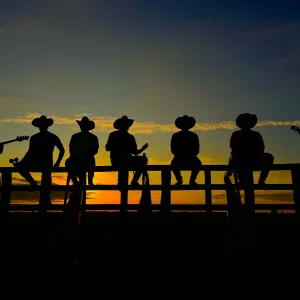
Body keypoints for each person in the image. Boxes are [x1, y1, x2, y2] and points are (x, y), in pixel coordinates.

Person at [15, 115, 65, 196]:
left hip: (46, 162)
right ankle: (33, 183)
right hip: (39, 161)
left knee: (46, 179)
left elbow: (62, 150)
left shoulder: (48, 137)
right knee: (20, 166)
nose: (42, 126)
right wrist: (22, 162)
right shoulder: (36, 137)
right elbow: (30, 152)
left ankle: (44, 195)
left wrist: (57, 163)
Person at [230, 113, 274, 184]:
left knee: (269, 157)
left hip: (248, 160)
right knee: (269, 157)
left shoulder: (236, 134)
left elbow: (233, 149)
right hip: (248, 160)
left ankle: (246, 179)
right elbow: (261, 148)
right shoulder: (256, 134)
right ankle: (261, 180)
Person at [105, 116, 148, 186]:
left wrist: (142, 149)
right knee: (143, 160)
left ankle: (131, 181)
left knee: (142, 160)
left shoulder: (113, 135)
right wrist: (142, 149)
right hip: (123, 161)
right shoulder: (129, 137)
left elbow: (107, 148)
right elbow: (135, 153)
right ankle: (134, 180)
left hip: (117, 161)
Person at [65, 116, 99, 186]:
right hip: (77, 159)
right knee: (69, 162)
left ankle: (89, 180)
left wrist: (85, 155)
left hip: (87, 159)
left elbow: (95, 150)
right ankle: (75, 181)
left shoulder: (92, 137)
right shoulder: (76, 136)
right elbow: (71, 150)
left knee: (90, 161)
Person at [171, 115, 202, 186]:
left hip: (180, 158)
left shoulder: (176, 135)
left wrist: (181, 154)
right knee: (198, 164)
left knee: (174, 165)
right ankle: (191, 180)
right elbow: (197, 150)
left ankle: (180, 180)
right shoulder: (193, 135)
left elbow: (173, 150)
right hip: (190, 157)